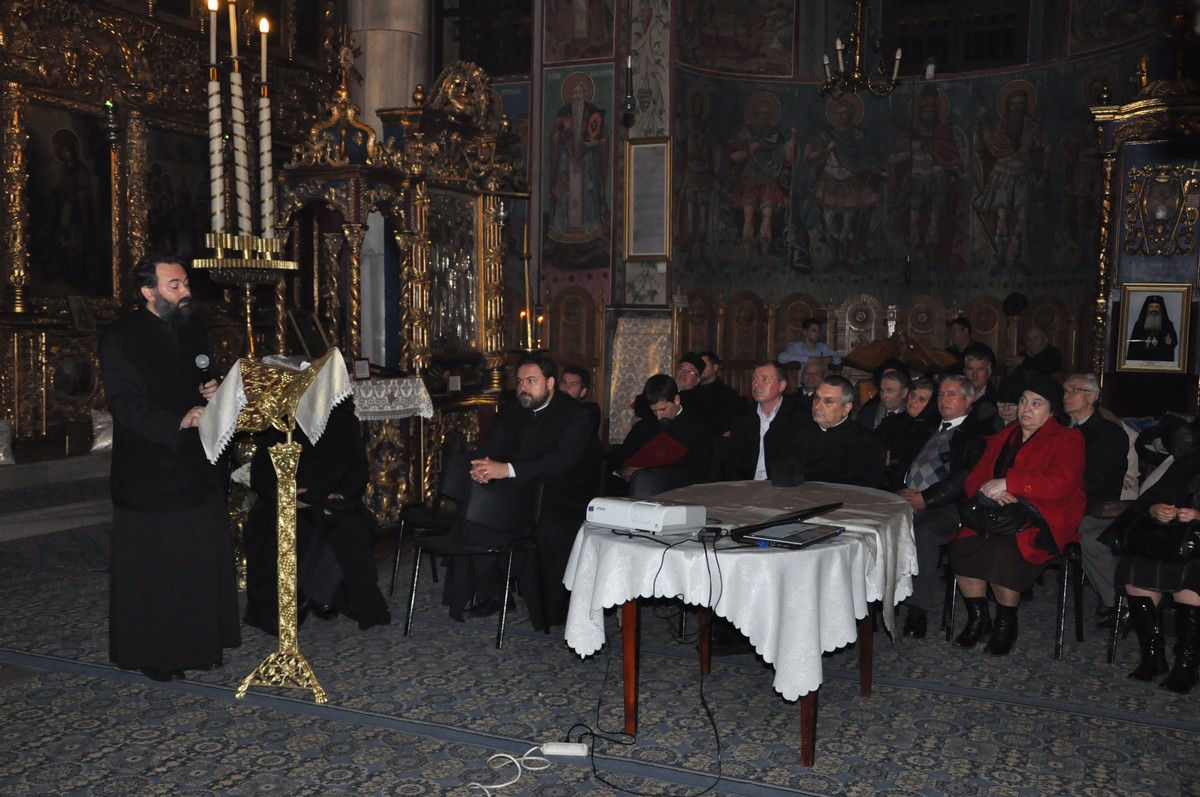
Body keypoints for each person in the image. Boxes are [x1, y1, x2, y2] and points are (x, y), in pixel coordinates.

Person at [98, 254, 241, 682]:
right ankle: (157, 655)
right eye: (174, 285)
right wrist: (177, 420)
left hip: (194, 466)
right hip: (149, 470)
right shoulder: (120, 336)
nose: (185, 291)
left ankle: (199, 646)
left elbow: (201, 378)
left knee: (195, 559)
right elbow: (125, 404)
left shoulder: (190, 327)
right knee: (158, 568)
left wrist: (213, 389)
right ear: (148, 292)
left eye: (185, 284)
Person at [443, 354, 598, 627]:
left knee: (549, 532)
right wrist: (481, 466)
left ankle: (553, 610)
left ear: (550, 383)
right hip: (515, 492)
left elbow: (559, 461)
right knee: (473, 517)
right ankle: (492, 594)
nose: (523, 387)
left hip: (558, 495)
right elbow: (494, 444)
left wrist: (508, 469)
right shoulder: (513, 410)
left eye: (531, 381)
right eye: (519, 381)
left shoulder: (575, 414)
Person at [949, 373, 1086, 655]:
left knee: (1003, 552)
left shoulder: (1067, 439)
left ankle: (1005, 625)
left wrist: (1011, 483)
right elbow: (974, 478)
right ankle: (978, 619)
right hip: (995, 513)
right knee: (963, 543)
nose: (1026, 408)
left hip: (1041, 517)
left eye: (1036, 404)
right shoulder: (1002, 437)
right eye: (1024, 401)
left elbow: (1063, 483)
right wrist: (990, 490)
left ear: (1052, 411)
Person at [242, 401, 391, 636]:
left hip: (331, 497)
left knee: (351, 528)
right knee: (279, 530)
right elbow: (261, 474)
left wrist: (341, 496)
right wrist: (286, 495)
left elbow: (358, 470)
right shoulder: (279, 423)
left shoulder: (344, 421)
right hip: (286, 499)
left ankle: (327, 595)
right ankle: (292, 603)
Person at [895, 375, 992, 637]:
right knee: (877, 526)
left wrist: (927, 499)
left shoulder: (977, 434)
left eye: (951, 394)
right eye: (940, 395)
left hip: (949, 506)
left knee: (923, 532)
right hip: (905, 501)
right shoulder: (927, 428)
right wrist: (897, 490)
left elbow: (966, 477)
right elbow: (900, 465)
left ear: (968, 400)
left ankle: (917, 610)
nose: (943, 400)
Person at [1107, 446, 1200, 693]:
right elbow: (1151, 498)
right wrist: (1156, 509)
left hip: (1196, 549)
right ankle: (1153, 656)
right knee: (1137, 570)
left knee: (1192, 577)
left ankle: (1187, 664)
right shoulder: (1189, 460)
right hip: (1177, 542)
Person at [1062, 373, 1133, 622]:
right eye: (1065, 391)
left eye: (1074, 390)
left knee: (1088, 538)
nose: (1066, 396)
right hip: (1063, 503)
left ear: (1092, 396)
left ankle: (1120, 602)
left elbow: (1100, 482)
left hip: (1095, 507)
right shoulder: (1061, 428)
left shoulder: (1109, 434)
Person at [607, 374, 713, 489]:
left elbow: (697, 468)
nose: (659, 416)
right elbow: (622, 454)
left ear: (676, 400)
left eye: (663, 409)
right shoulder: (644, 426)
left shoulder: (697, 427)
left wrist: (645, 472)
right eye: (654, 411)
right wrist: (622, 471)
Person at [790, 375, 885, 488]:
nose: (818, 406)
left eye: (828, 401)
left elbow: (863, 490)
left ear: (846, 408)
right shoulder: (799, 433)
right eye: (816, 398)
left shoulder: (866, 443)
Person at [547, 73, 608, 244]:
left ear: (585, 94)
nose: (577, 96)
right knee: (565, 192)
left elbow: (602, 137)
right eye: (574, 93)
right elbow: (554, 136)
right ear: (570, 95)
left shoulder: (592, 111)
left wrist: (594, 143)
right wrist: (562, 132)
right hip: (567, 160)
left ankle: (590, 227)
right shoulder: (564, 113)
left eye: (580, 93)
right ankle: (562, 228)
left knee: (588, 191)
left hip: (586, 161)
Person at [722, 361, 806, 481]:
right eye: (754, 379)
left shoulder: (797, 417)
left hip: (781, 487)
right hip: (745, 486)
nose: (757, 384)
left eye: (765, 379)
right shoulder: (743, 415)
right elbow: (732, 462)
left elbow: (795, 463)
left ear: (782, 386)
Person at [877, 376, 940, 491]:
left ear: (931, 404)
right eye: (912, 395)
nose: (913, 401)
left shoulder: (934, 429)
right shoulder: (892, 422)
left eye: (921, 399)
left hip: (911, 488)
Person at [694, 350, 745, 436]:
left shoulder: (728, 393)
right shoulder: (691, 391)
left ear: (715, 368)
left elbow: (729, 423)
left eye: (703, 365)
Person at [1126, 294, 1179, 362]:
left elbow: (1174, 342)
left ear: (1160, 309)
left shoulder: (1168, 324)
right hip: (1142, 361)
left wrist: (1170, 342)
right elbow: (1133, 345)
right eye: (1151, 307)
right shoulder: (1139, 324)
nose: (1154, 309)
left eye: (1157, 307)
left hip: (1161, 361)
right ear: (1147, 308)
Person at [559, 364, 601, 436]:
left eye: (573, 385)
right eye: (563, 382)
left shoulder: (585, 415)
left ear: (582, 392)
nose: (566, 388)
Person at [962, 350, 998, 420]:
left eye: (980, 369)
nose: (975, 374)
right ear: (964, 371)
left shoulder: (997, 401)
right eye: (970, 369)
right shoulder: (955, 396)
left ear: (989, 372)